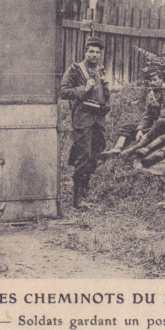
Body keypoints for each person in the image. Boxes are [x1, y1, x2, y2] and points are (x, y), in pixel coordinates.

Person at [60, 36, 110, 209]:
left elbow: (104, 95)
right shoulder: (75, 70)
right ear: (85, 52)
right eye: (91, 51)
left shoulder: (100, 70)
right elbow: (64, 92)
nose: (94, 55)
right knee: (84, 154)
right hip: (83, 117)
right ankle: (78, 198)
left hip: (99, 118)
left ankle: (84, 191)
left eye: (97, 52)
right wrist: (84, 88)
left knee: (97, 152)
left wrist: (106, 87)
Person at [102, 65, 165, 158]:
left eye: (155, 79)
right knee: (128, 126)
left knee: (161, 122)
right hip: (156, 124)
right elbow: (147, 115)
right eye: (150, 81)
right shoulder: (151, 93)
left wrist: (147, 133)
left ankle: (132, 149)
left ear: (161, 78)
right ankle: (117, 148)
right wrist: (140, 129)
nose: (152, 83)